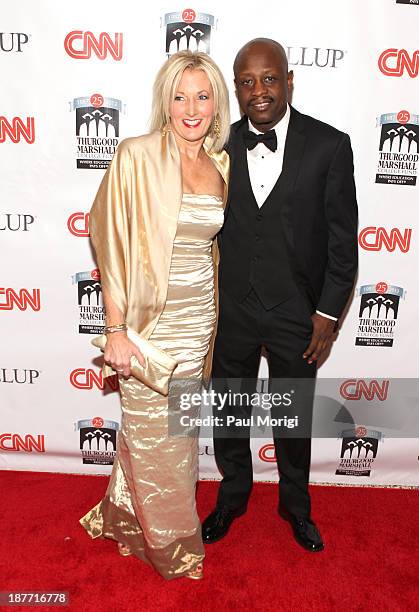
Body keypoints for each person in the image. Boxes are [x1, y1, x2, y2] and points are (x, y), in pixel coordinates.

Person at [202, 38, 358, 552]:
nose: (258, 91)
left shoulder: (330, 146)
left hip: (299, 313)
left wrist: (327, 314)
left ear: (289, 81)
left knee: (292, 419)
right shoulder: (215, 147)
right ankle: (231, 497)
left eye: (269, 78)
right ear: (237, 88)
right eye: (246, 81)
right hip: (234, 310)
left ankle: (295, 506)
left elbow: (342, 242)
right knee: (229, 411)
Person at [79, 50, 230, 580]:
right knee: (151, 436)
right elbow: (111, 242)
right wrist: (115, 329)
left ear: (217, 103)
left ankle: (124, 515)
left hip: (199, 322)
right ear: (165, 101)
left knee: (181, 435)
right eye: (180, 95)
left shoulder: (220, 163)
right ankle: (172, 546)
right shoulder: (137, 155)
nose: (192, 108)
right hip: (147, 326)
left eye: (203, 96)